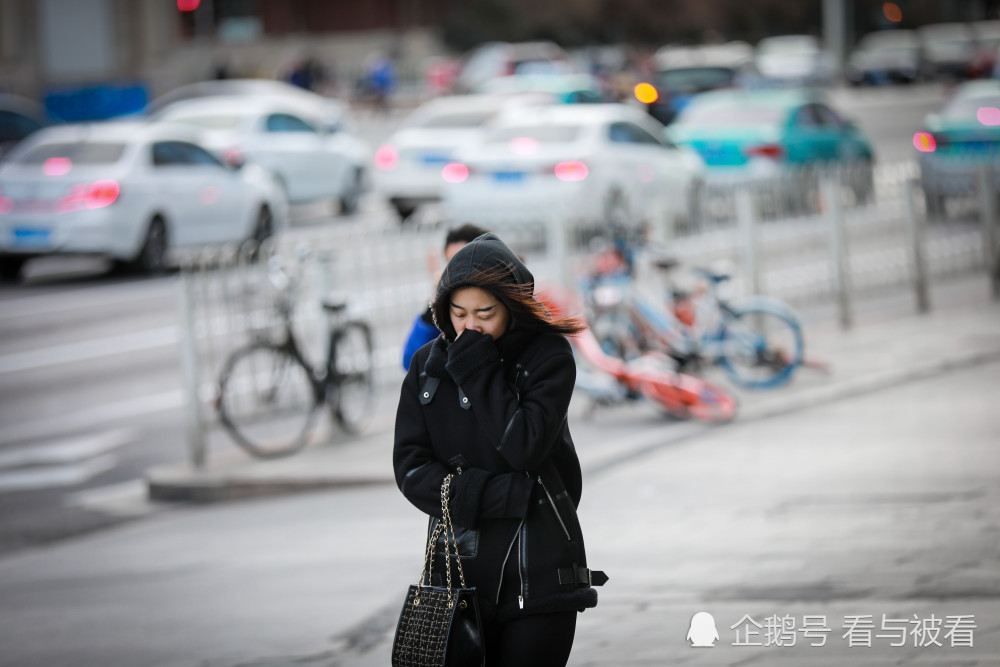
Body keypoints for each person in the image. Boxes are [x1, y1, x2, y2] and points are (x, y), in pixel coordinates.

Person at [393, 233, 607, 667]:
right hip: (457, 565)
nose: (470, 327)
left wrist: (477, 369)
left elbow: (523, 445)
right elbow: (411, 467)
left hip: (539, 566)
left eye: (485, 314)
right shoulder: (426, 367)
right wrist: (497, 496)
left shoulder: (548, 357)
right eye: (459, 313)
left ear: (511, 306)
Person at [400, 223, 488, 371]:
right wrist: (435, 305)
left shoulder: (506, 299)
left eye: (464, 261)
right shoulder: (445, 304)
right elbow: (410, 362)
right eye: (451, 262)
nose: (456, 270)